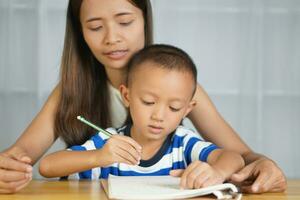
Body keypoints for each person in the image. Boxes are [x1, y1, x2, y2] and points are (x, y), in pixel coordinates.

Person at [0, 0, 286, 194]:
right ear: (80, 33)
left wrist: (264, 164)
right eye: (96, 27)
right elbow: (22, 158)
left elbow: (241, 156)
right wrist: (7, 169)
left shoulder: (181, 88)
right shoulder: (71, 90)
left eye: (125, 22)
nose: (112, 37)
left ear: (145, 20)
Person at [39, 44, 245, 189]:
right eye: (148, 102)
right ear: (127, 96)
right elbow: (47, 167)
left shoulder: (183, 143)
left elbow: (233, 158)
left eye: (174, 108)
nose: (159, 115)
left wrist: (216, 172)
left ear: (187, 110)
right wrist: (99, 157)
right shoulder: (110, 142)